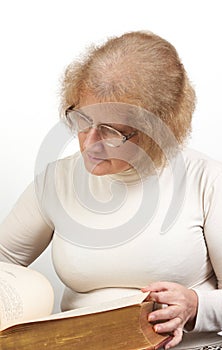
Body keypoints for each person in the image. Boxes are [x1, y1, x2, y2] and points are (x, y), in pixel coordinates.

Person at [0, 30, 222, 350]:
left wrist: (196, 307)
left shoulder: (207, 180)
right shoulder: (57, 180)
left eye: (112, 132)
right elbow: (4, 260)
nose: (89, 144)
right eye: (82, 120)